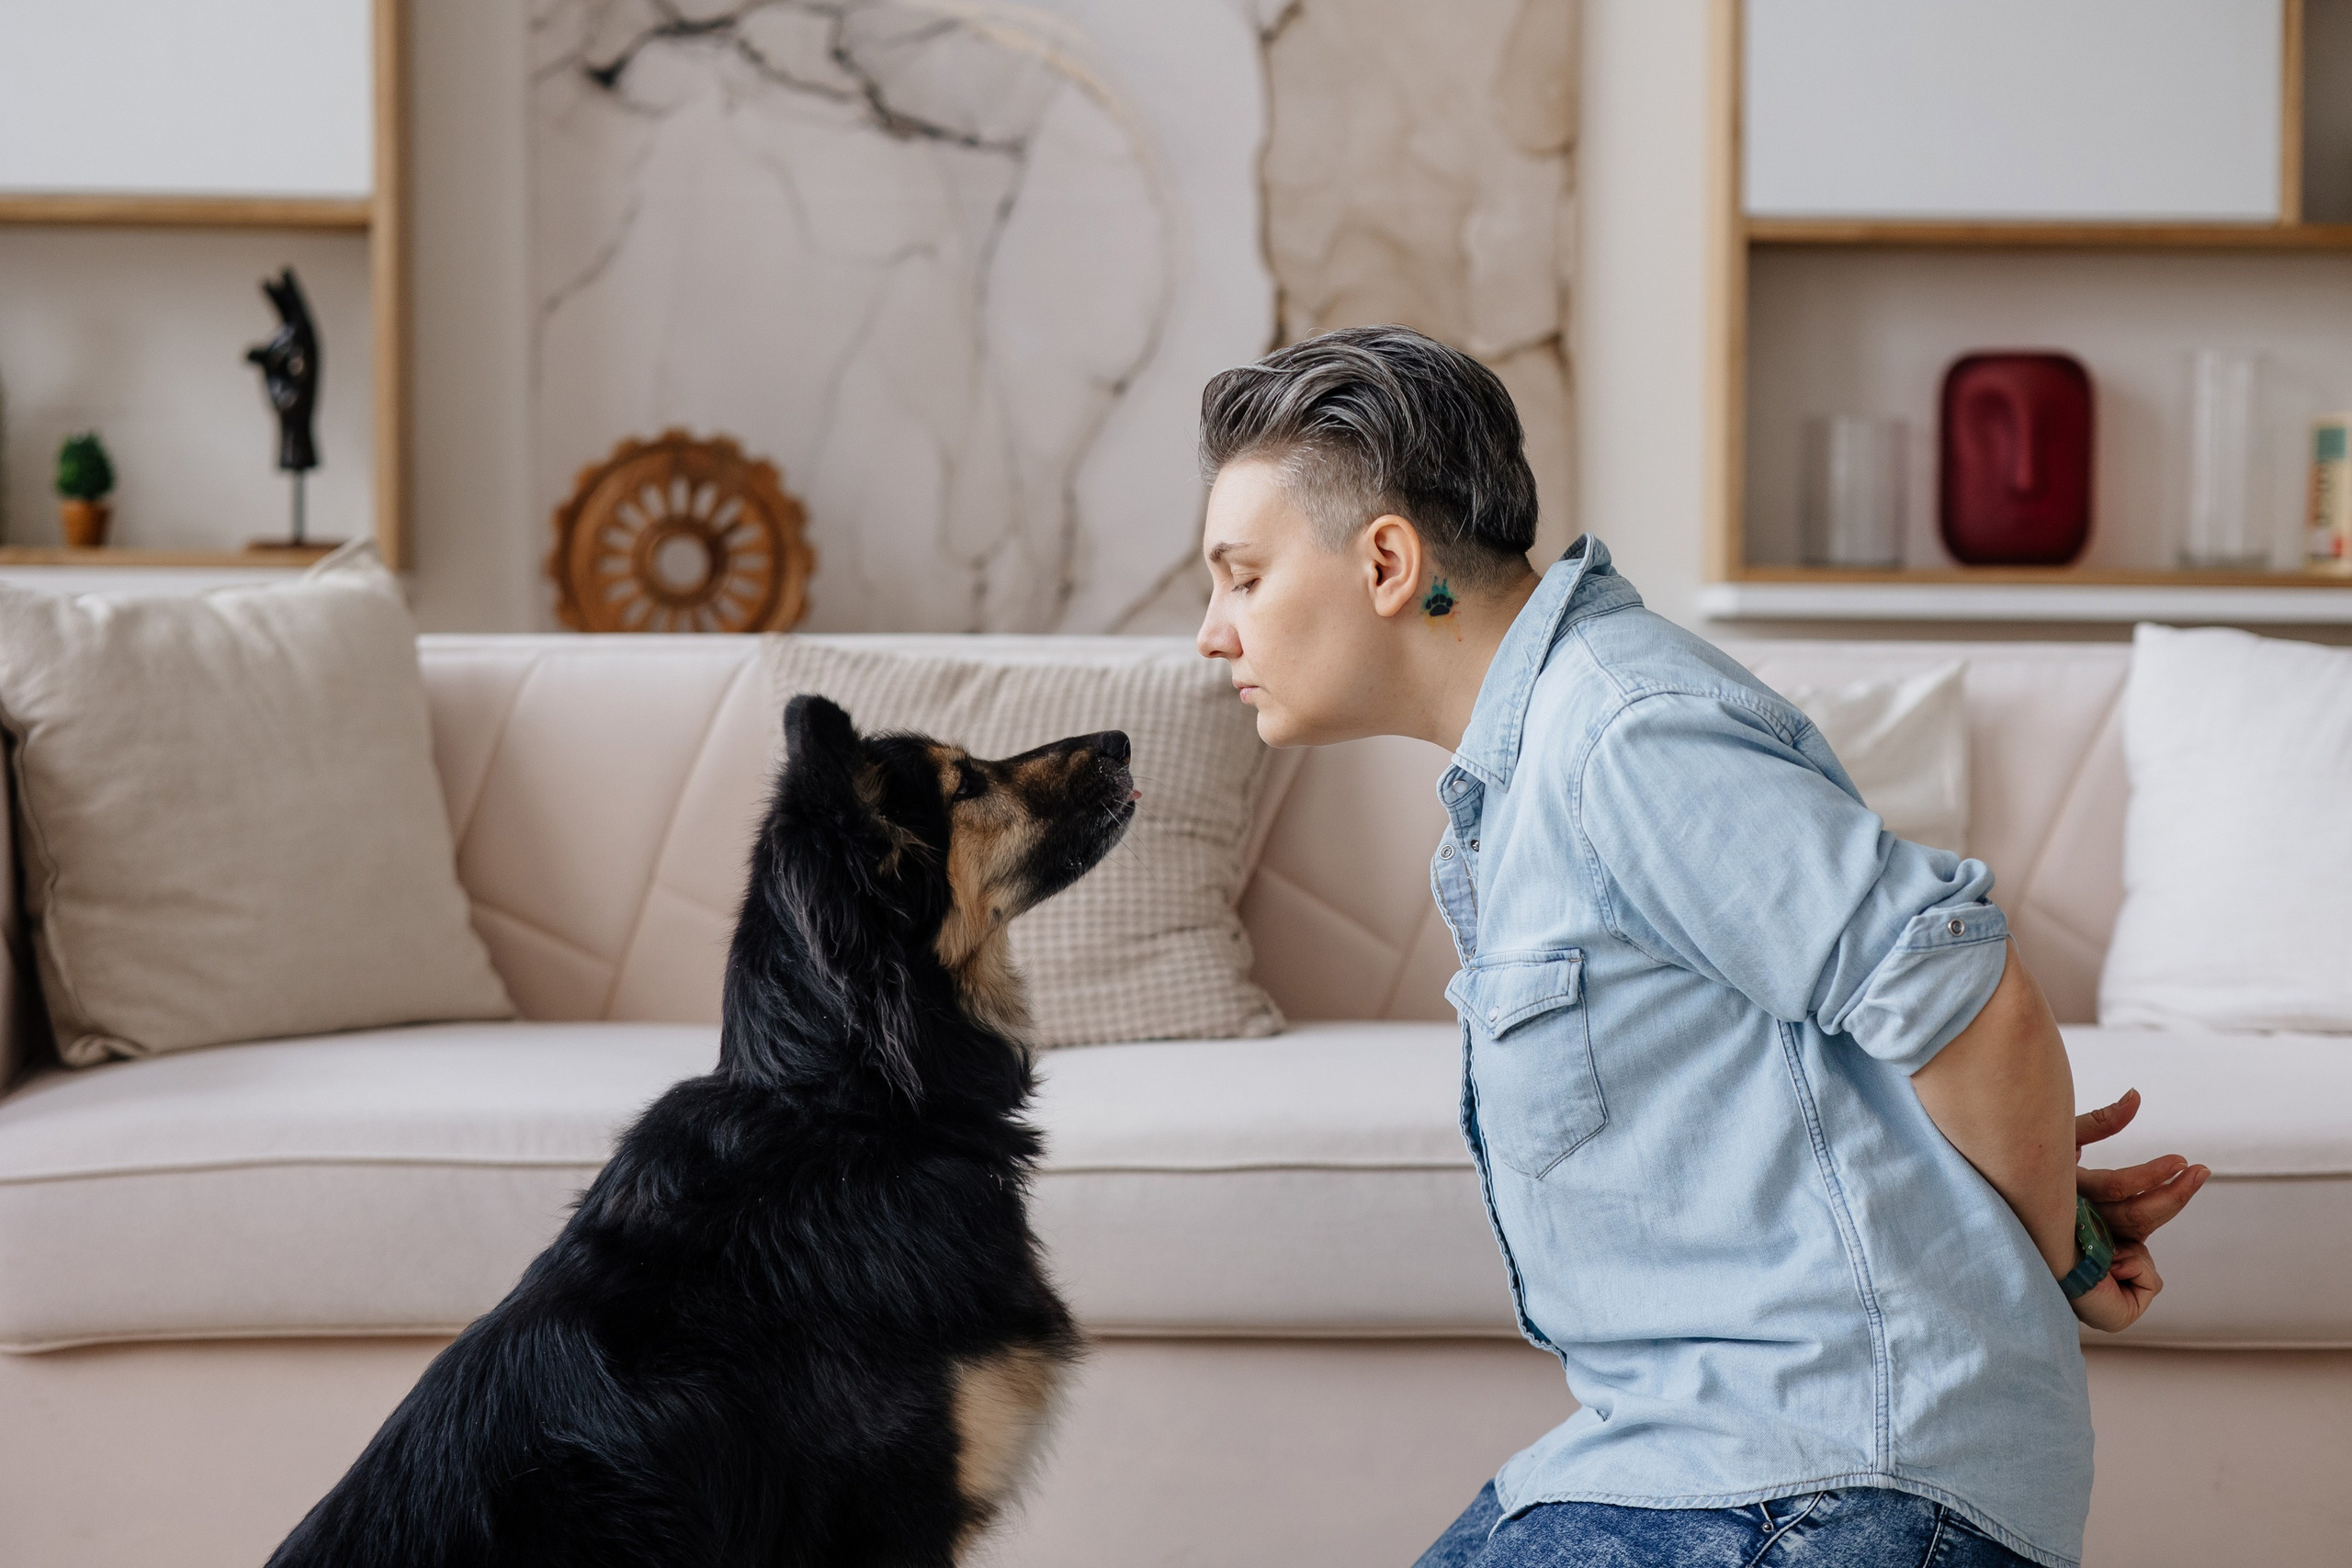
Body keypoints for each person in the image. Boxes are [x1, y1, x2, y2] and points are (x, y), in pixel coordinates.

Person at [1191, 326, 2208, 1568]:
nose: (1215, 631)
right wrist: (2022, 1201)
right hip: (1701, 1456)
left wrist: (2063, 1257)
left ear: (1389, 560)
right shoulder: (1537, 765)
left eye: (1241, 577)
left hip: (1828, 1474)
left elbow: (1973, 1007)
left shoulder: (1623, 735)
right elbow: (1817, 1059)